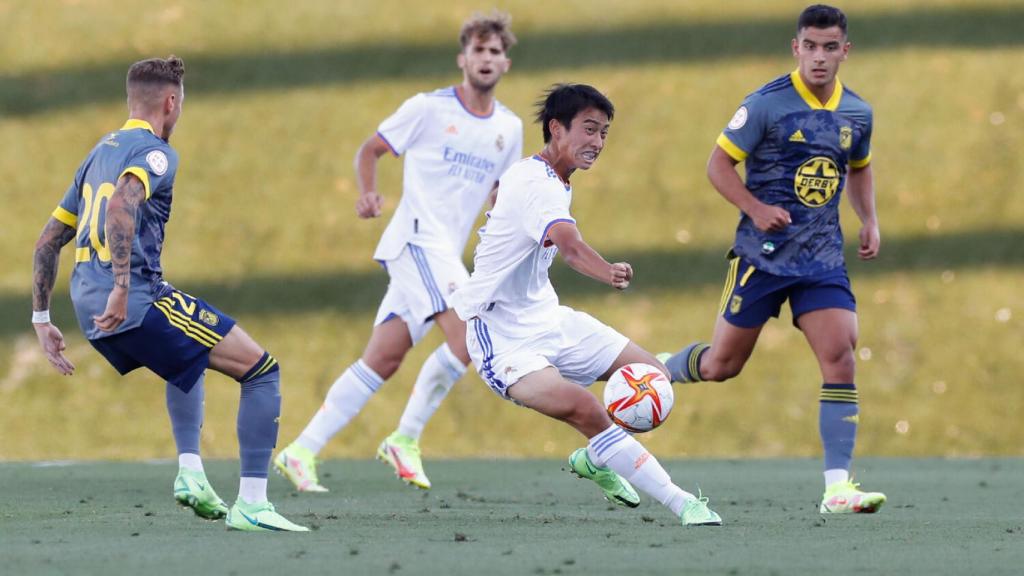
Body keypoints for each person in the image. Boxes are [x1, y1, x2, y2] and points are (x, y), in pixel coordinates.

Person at [31, 56, 307, 532]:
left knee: (188, 356)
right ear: (170, 102)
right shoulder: (156, 153)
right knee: (262, 370)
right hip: (132, 299)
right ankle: (254, 505)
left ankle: (192, 473)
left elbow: (47, 240)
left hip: (86, 306)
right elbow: (121, 204)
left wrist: (41, 318)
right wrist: (121, 288)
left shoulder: (97, 153)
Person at [449, 84, 722, 527]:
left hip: (548, 318)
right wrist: (608, 271)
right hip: (501, 338)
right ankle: (683, 503)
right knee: (588, 410)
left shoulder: (546, 177)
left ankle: (597, 457)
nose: (597, 142)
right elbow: (571, 248)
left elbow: (509, 203)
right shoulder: (540, 186)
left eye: (604, 133)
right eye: (589, 129)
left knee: (651, 378)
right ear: (556, 128)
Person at [274, 12, 523, 492]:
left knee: (382, 359)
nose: (486, 58)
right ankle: (404, 438)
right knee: (471, 338)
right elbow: (370, 149)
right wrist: (368, 194)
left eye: (495, 51)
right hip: (415, 239)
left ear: (505, 63)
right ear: (463, 58)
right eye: (478, 50)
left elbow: (501, 194)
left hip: (446, 253)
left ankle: (300, 449)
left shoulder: (509, 129)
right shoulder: (428, 109)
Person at [661, 4, 886, 514]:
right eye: (811, 46)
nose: (820, 57)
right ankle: (654, 370)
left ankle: (836, 489)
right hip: (762, 258)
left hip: (822, 258)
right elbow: (717, 165)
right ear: (797, 48)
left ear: (844, 51)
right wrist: (756, 208)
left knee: (841, 356)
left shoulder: (858, 113)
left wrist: (869, 219)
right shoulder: (766, 104)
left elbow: (859, 167)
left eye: (831, 48)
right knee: (722, 365)